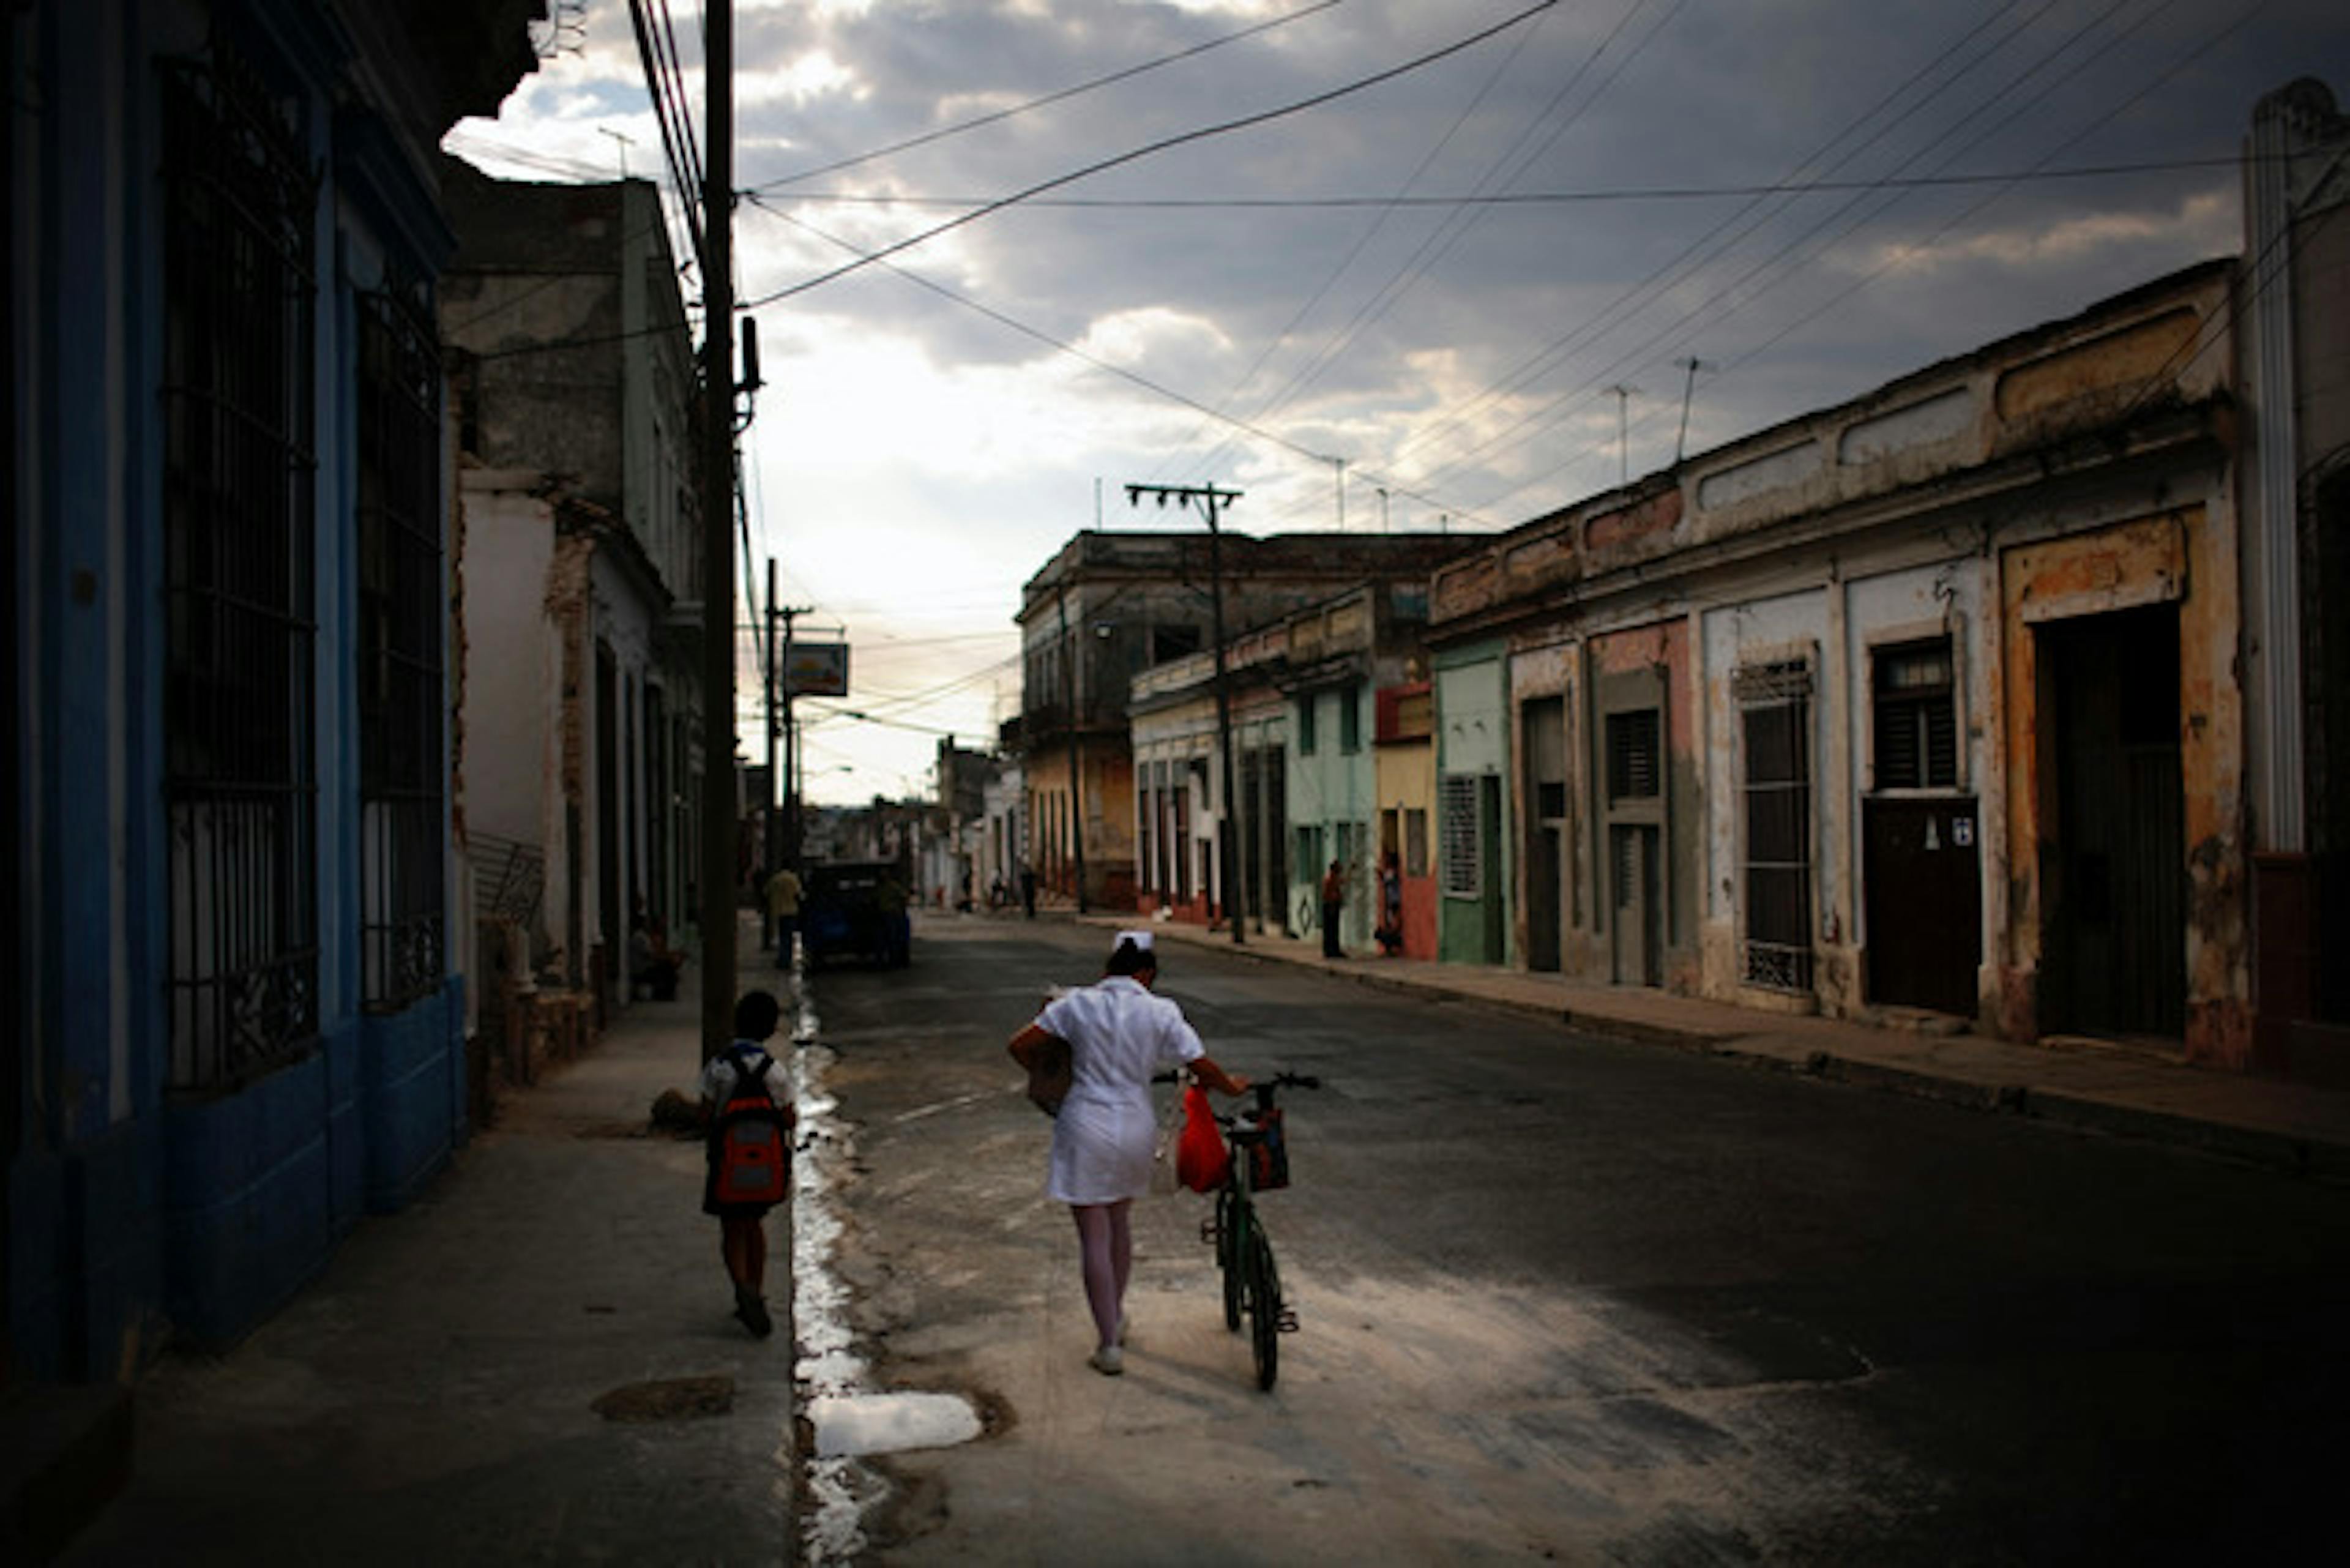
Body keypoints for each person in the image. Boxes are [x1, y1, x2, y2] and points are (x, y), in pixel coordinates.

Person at [1005, 931, 1248, 1376]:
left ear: (1107, 970)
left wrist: (1051, 1072)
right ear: (1147, 974)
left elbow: (1019, 1044)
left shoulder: (1076, 1004)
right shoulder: (1160, 1011)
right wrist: (1231, 1085)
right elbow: (1199, 1064)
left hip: (1084, 1122)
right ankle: (1115, 1315)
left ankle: (1109, 1343)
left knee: (1093, 1236)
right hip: (1136, 1123)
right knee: (1119, 1224)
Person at [700, 990, 793, 1337]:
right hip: (765, 1169)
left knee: (731, 1228)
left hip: (726, 1162)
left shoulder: (719, 1067)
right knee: (755, 1226)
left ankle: (741, 1287)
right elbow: (789, 1119)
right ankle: (757, 1285)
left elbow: (707, 1115)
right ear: (770, 1029)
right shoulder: (776, 1072)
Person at [629, 912, 682, 1001]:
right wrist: (668, 957)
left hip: (646, 966)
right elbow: (651, 954)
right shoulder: (639, 937)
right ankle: (665, 994)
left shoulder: (644, 936)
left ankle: (665, 993)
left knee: (667, 966)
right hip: (641, 969)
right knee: (667, 967)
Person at [764, 864, 803, 969]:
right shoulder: (793, 879)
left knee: (782, 936)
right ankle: (787, 959)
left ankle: (782, 959)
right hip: (791, 911)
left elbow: (767, 892)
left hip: (779, 911)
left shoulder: (775, 879)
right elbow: (798, 894)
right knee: (789, 937)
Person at [1376, 850, 1404, 957]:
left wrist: (1380, 875)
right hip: (1391, 900)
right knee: (1389, 922)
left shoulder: (1392, 872)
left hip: (1393, 900)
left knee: (1391, 923)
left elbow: (1386, 881)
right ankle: (1390, 947)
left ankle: (1391, 945)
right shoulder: (1392, 872)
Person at [1320, 859, 1347, 959]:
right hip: (1330, 906)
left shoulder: (1334, 879)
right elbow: (1327, 894)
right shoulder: (1330, 880)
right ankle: (1330, 950)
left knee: (1333, 929)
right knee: (1331, 929)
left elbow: (1344, 881)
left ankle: (1333, 950)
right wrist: (1331, 905)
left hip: (1333, 905)